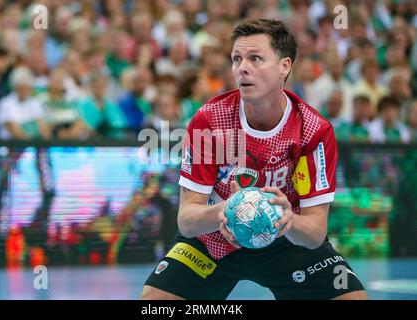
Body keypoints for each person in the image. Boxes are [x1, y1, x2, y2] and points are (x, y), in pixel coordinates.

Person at [141, 19, 367, 300]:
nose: (242, 68)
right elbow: (187, 220)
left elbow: (315, 231)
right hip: (213, 239)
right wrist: (227, 211)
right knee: (155, 303)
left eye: (255, 58)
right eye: (237, 59)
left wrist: (288, 221)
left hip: (286, 242)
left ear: (285, 66)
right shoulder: (209, 120)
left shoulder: (312, 130)